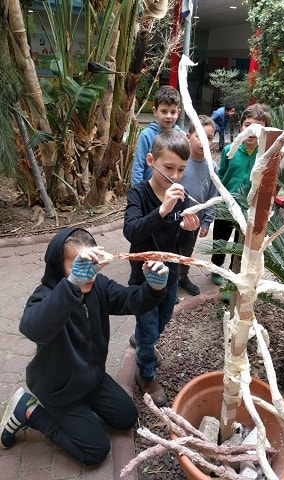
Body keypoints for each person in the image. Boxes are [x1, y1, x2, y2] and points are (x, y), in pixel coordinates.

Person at [0, 227, 169, 465]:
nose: (88, 275)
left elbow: (130, 300)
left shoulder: (98, 286)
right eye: (79, 266)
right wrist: (71, 285)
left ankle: (82, 411)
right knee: (95, 451)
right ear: (60, 267)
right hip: (58, 390)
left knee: (127, 417)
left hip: (91, 379)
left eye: (93, 265)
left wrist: (154, 288)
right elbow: (33, 329)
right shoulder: (46, 295)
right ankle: (28, 411)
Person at [124, 129, 200, 406]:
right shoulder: (139, 194)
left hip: (170, 276)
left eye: (182, 169)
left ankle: (145, 338)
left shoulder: (182, 196)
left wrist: (190, 230)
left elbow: (181, 245)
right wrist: (162, 210)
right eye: (169, 167)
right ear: (150, 161)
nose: (176, 176)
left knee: (162, 321)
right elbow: (132, 231)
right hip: (143, 278)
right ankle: (146, 373)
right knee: (149, 329)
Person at [210, 103, 271, 288]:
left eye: (258, 126)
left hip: (250, 209)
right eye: (248, 125)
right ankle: (216, 266)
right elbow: (222, 175)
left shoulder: (266, 155)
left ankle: (232, 271)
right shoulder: (230, 150)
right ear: (241, 126)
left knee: (240, 243)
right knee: (220, 238)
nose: (252, 131)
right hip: (227, 204)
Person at [178, 115, 218, 296]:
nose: (204, 142)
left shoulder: (212, 167)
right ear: (188, 136)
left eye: (209, 138)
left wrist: (207, 221)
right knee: (169, 249)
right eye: (199, 137)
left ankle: (182, 277)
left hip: (195, 220)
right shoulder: (179, 161)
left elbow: (212, 195)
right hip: (174, 219)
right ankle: (168, 284)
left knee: (187, 250)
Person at [131, 85, 184, 186]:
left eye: (173, 112)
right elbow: (138, 167)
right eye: (164, 111)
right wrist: (137, 192)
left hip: (172, 190)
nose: (168, 116)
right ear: (155, 111)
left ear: (178, 112)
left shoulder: (182, 136)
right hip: (148, 190)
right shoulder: (146, 136)